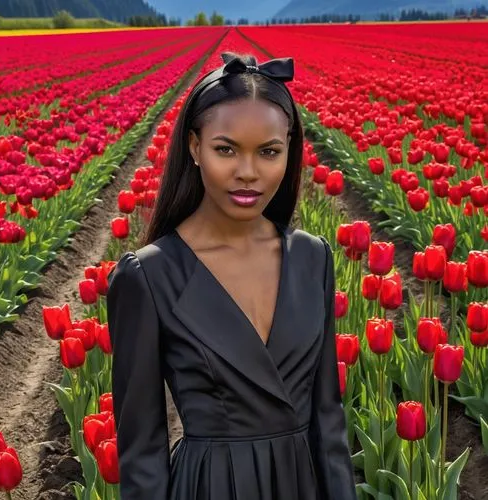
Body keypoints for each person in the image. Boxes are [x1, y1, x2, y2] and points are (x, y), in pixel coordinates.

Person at [106, 52, 357, 500]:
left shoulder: (311, 258)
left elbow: (329, 422)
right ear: (194, 147)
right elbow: (142, 451)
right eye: (226, 149)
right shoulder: (150, 276)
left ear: (289, 151)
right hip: (211, 486)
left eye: (268, 152)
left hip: (303, 486)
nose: (248, 173)